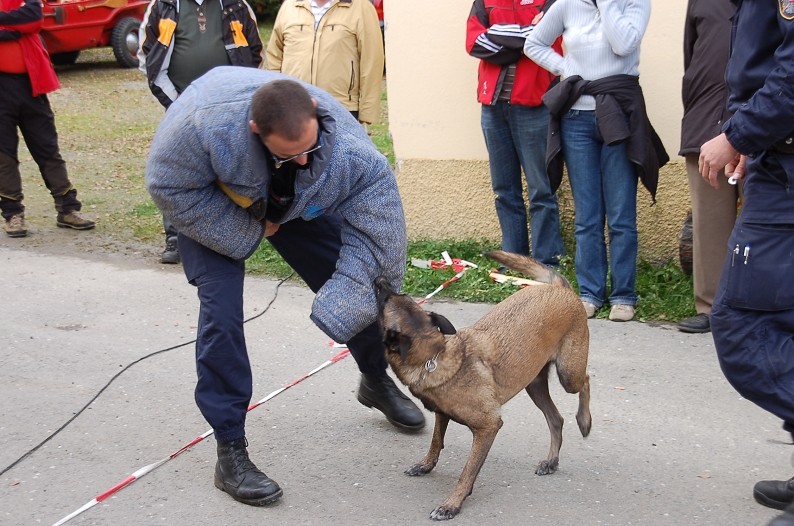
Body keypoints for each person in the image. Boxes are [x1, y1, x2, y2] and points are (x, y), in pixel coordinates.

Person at [145, 66, 425, 506]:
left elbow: (374, 209)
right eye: (287, 154)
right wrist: (251, 232)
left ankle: (374, 380)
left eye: (308, 149)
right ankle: (230, 450)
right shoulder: (199, 126)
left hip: (293, 205)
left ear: (315, 112)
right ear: (256, 131)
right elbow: (169, 188)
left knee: (362, 289)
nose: (301, 159)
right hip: (212, 208)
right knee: (222, 317)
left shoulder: (342, 139)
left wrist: (349, 286)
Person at [698, 0, 794, 524]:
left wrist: (736, 134)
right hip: (775, 158)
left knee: (741, 323)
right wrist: (748, 137)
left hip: (786, 174)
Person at [523, 0, 667, 322]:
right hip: (576, 118)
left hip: (619, 114)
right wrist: (566, 70)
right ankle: (589, 292)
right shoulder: (567, 4)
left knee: (621, 215)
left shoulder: (635, 3)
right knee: (587, 216)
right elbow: (533, 43)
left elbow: (624, 44)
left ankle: (623, 296)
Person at [138, 0, 263, 263]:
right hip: (180, 105)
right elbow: (147, 56)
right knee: (179, 170)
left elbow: (255, 54)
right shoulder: (163, 6)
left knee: (228, 166)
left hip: (228, 108)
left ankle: (229, 233)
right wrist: (179, 105)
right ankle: (175, 236)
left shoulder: (237, 6)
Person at [465, 0, 565, 267]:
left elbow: (547, 42)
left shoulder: (551, 2)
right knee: (504, 190)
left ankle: (546, 264)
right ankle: (513, 261)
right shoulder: (484, 2)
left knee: (542, 190)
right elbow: (475, 44)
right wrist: (525, 38)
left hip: (534, 106)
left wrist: (500, 34)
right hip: (493, 107)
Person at [0, 0, 96, 238]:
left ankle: (67, 208)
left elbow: (33, 18)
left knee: (48, 148)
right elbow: (24, 23)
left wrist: (7, 26)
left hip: (32, 86)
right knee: (4, 155)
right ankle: (13, 214)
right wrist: (15, 26)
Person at [677, 0, 738, 334]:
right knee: (710, 225)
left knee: (769, 224)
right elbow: (692, 57)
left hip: (764, 125)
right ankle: (712, 307)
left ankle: (766, 306)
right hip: (707, 123)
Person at [265, 0, 384, 127]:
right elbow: (274, 56)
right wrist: (277, 99)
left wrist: (367, 112)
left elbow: (372, 61)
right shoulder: (289, 6)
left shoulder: (361, 7)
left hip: (341, 109)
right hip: (293, 107)